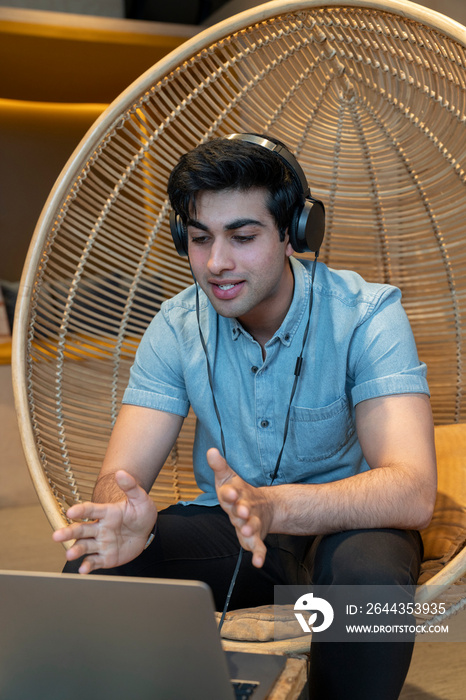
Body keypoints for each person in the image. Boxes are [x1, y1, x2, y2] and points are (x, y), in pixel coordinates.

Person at [54, 134, 437, 699]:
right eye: (201, 238)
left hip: (348, 526)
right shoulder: (176, 325)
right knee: (100, 564)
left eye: (243, 236)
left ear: (293, 234)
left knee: (368, 579)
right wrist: (118, 509)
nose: (217, 263)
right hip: (235, 529)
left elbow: (412, 492)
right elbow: (121, 474)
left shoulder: (366, 315)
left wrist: (275, 504)